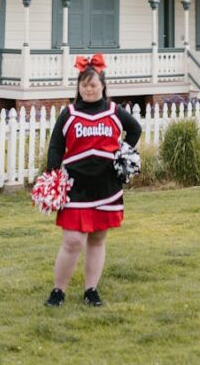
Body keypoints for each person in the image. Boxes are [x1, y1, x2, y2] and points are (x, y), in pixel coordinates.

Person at [43, 53, 142, 308]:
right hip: (76, 187)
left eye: (93, 84)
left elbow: (135, 129)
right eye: (84, 84)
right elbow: (56, 146)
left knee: (97, 239)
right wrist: (53, 174)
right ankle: (58, 291)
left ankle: (91, 290)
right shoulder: (69, 113)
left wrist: (123, 154)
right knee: (73, 241)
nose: (88, 89)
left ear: (103, 86)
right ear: (79, 86)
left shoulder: (114, 111)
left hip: (106, 187)